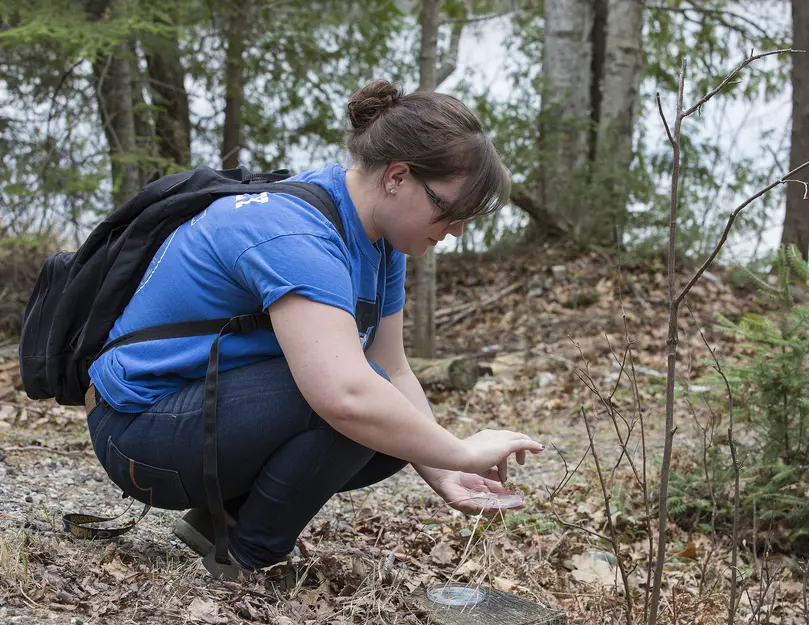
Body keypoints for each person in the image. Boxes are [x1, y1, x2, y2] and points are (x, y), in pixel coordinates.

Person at [82, 79, 545, 580]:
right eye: (448, 210)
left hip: (196, 418)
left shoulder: (379, 241)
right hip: (136, 434)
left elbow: (394, 367)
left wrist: (447, 470)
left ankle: (220, 524)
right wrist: (461, 448)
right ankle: (245, 560)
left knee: (398, 426)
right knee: (355, 405)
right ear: (398, 177)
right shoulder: (296, 232)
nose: (454, 230)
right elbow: (346, 393)